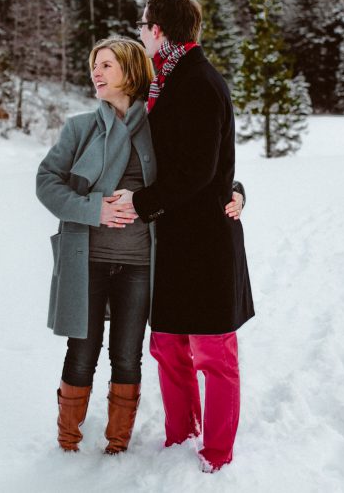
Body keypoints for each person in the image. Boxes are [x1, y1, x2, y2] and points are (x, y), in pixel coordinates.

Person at [36, 37, 244, 455]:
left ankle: (118, 446)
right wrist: (94, 209)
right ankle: (66, 444)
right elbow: (46, 184)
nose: (96, 72)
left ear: (130, 71)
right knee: (81, 352)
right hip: (88, 259)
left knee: (128, 356)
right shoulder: (80, 128)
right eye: (94, 65)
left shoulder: (158, 128)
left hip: (141, 263)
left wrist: (236, 191)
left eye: (107, 65)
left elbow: (197, 172)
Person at [115, 0, 254, 472]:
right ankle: (180, 437)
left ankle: (216, 453)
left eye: (142, 23)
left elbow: (200, 169)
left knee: (213, 351)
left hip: (205, 241)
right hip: (171, 238)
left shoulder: (198, 81)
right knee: (168, 344)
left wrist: (141, 203)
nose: (139, 30)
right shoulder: (165, 82)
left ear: (158, 31)